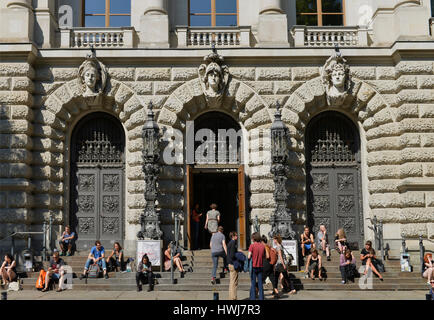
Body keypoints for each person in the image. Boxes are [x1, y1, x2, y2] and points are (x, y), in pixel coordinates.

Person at [248, 232, 269, 300]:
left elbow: (248, 256)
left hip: (254, 266)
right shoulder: (262, 246)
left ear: (254, 238)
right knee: (260, 284)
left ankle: (252, 298)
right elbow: (265, 256)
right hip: (260, 266)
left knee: (253, 283)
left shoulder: (252, 246)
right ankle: (261, 298)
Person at [227, 231, 238, 300]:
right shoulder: (233, 243)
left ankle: (231, 297)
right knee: (234, 282)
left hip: (229, 263)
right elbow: (232, 255)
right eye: (236, 235)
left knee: (232, 281)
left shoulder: (229, 243)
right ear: (233, 236)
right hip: (233, 264)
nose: (237, 236)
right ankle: (233, 297)